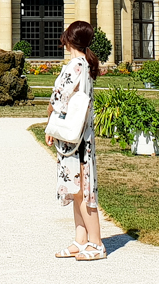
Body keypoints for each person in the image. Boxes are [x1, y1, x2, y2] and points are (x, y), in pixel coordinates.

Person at [46, 20, 104, 261]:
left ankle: (96, 243)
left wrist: (50, 123)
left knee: (82, 189)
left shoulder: (75, 66)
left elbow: (59, 98)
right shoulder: (85, 64)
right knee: (77, 189)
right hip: (80, 134)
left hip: (75, 139)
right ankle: (81, 240)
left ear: (69, 39)